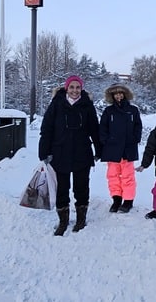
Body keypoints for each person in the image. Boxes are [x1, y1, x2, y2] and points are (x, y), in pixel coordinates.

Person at [38, 75, 102, 235]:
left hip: (82, 152)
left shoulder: (87, 105)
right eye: (72, 87)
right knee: (62, 188)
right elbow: (47, 128)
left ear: (81, 89)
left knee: (81, 188)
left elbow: (95, 128)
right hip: (60, 152)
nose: (75, 90)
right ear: (67, 88)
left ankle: (81, 219)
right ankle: (63, 221)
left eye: (78, 87)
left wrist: (99, 149)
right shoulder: (56, 104)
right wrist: (44, 151)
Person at [98, 83, 142, 213]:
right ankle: (116, 199)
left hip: (128, 148)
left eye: (121, 93)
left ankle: (128, 201)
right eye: (116, 93)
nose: (118, 96)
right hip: (112, 149)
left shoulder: (133, 110)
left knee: (128, 176)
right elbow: (103, 128)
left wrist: (135, 138)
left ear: (125, 94)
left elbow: (138, 126)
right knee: (113, 175)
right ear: (112, 95)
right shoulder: (108, 111)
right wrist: (105, 140)